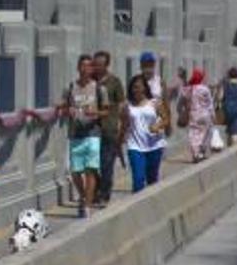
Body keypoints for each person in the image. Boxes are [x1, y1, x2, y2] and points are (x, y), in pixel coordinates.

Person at [63, 54, 108, 218]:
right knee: (75, 172)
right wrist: (68, 111)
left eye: (89, 66)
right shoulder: (70, 88)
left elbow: (107, 110)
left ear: (92, 69)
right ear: (78, 67)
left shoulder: (99, 88)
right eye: (82, 66)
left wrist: (95, 112)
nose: (85, 69)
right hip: (75, 134)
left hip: (93, 134)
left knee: (90, 169)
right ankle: (83, 196)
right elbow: (62, 108)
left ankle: (88, 205)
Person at [121, 74, 167, 192]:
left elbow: (166, 119)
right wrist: (119, 142)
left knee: (152, 180)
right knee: (138, 179)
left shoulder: (154, 103)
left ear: (145, 88)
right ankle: (136, 206)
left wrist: (157, 125)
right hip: (135, 146)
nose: (136, 90)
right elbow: (124, 125)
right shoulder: (127, 106)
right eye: (134, 87)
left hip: (154, 146)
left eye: (139, 87)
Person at [92, 51, 126, 207]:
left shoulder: (114, 82)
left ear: (107, 65)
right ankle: (95, 190)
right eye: (95, 64)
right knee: (92, 164)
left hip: (109, 128)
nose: (97, 67)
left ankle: (104, 194)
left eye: (100, 64)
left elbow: (121, 104)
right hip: (91, 128)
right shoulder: (90, 81)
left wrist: (121, 128)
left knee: (106, 163)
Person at [185, 69, 215, 163]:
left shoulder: (189, 89)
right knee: (206, 133)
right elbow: (210, 102)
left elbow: (183, 100)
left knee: (194, 134)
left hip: (193, 115)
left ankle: (195, 153)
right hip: (205, 114)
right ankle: (202, 152)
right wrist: (213, 114)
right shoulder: (205, 89)